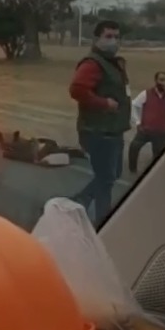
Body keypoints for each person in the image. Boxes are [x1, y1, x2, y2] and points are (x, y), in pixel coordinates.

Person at [69, 20, 131, 225]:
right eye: (108, 36)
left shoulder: (112, 63)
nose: (114, 41)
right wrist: (104, 103)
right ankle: (101, 220)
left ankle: (80, 201)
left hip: (113, 129)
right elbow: (77, 89)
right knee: (106, 178)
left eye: (117, 37)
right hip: (97, 130)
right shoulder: (92, 64)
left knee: (112, 175)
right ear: (96, 39)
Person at [128, 71, 165, 174]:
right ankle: (132, 169)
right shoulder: (146, 93)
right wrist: (137, 122)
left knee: (158, 156)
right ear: (156, 81)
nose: (163, 82)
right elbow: (134, 105)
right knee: (134, 147)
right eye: (161, 79)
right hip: (145, 130)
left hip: (160, 132)